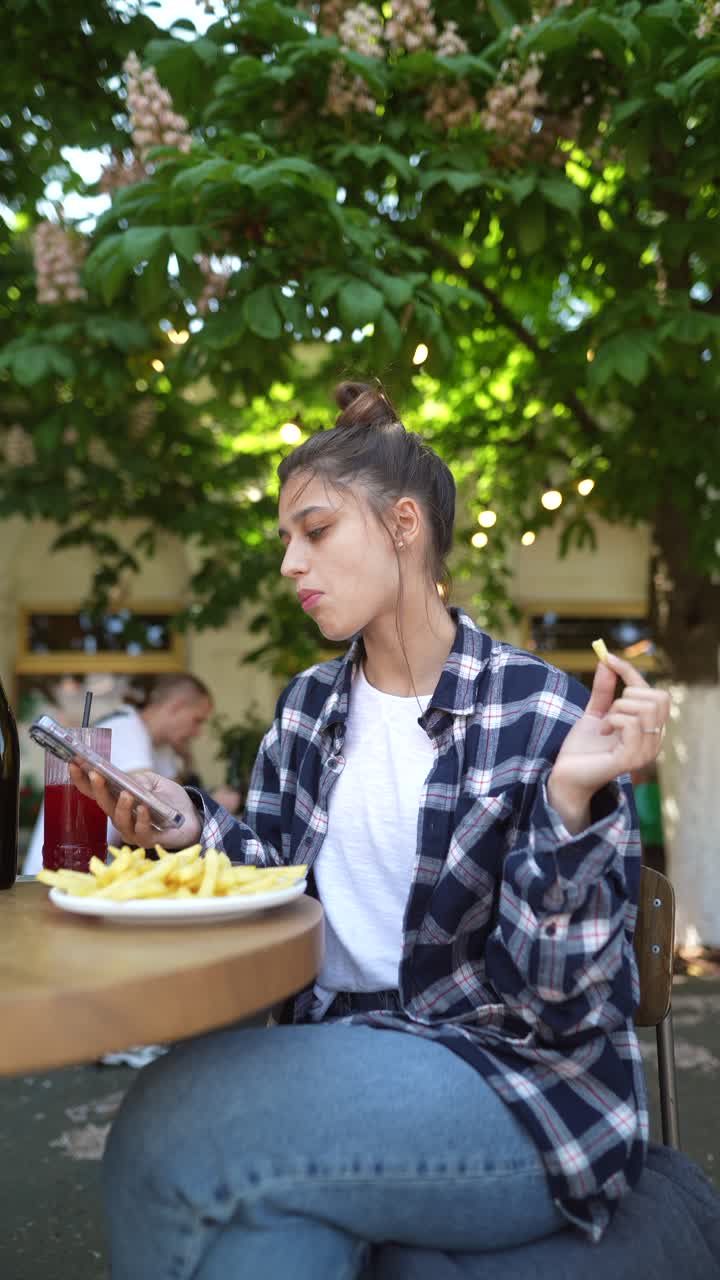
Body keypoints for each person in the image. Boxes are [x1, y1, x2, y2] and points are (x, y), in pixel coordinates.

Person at [73, 382, 670, 1279]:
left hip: (511, 1079)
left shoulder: (542, 710)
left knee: (167, 1123)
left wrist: (569, 808)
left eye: (315, 531)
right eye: (286, 540)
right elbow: (275, 884)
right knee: (258, 1244)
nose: (289, 564)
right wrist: (188, 823)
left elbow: (569, 1007)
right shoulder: (309, 710)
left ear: (403, 525)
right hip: (329, 1047)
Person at [24, 672, 235, 874]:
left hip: (93, 871)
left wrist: (187, 759)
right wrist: (215, 804)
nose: (197, 733)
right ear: (176, 707)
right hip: (58, 872)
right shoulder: (126, 726)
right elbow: (152, 805)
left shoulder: (162, 749)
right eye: (197, 721)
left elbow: (176, 801)